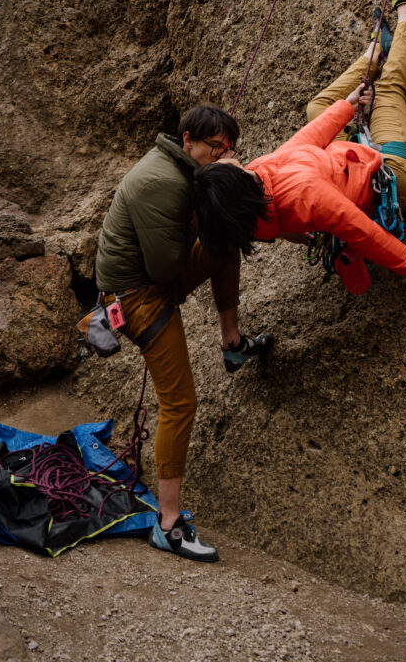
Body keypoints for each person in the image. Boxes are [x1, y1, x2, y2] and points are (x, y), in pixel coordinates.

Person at [191, 0, 406, 299]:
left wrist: (350, 104)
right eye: (229, 164)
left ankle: (375, 52)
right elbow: (364, 232)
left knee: (317, 107)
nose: (231, 156)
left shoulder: (250, 210)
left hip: (347, 162)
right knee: (388, 88)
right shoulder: (309, 195)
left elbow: (307, 138)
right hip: (395, 175)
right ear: (240, 182)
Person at [95, 104, 272, 564]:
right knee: (180, 403)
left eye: (227, 150)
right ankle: (167, 524)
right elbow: (165, 268)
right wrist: (204, 212)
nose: (221, 155)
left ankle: (231, 342)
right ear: (188, 138)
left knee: (225, 240)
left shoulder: (185, 169)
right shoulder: (162, 183)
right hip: (137, 297)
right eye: (215, 148)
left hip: (152, 281)